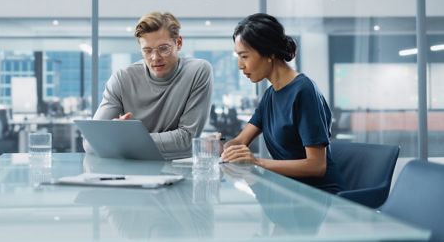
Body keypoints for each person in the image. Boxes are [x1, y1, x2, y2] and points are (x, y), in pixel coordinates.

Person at [221, 13, 344, 194]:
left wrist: (257, 162)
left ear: (269, 53)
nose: (240, 65)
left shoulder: (303, 91)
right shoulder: (270, 95)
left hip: (319, 196)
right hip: (288, 190)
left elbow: (317, 166)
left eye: (244, 56)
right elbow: (241, 141)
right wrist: (222, 147)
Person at [86, 11, 213, 159]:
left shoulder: (198, 71)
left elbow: (187, 140)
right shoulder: (122, 79)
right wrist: (122, 136)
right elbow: (91, 142)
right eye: (147, 51)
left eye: (163, 48)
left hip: (176, 170)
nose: (155, 57)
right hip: (129, 173)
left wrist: (122, 139)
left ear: (178, 43)